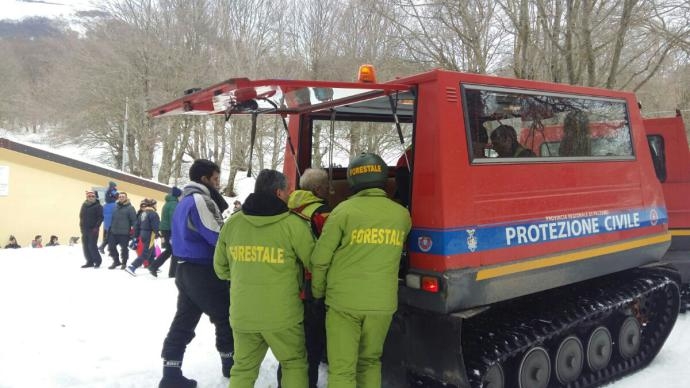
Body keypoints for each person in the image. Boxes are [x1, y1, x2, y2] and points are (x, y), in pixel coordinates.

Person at [311, 153, 412, 388]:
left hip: (343, 304)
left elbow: (320, 259)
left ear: (353, 180)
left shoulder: (343, 211)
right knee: (370, 361)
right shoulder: (401, 214)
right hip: (382, 304)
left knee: (342, 369)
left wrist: (318, 293)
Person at [214, 169, 316, 388]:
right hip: (283, 316)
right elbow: (314, 263)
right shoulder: (293, 225)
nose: (290, 195)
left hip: (243, 314)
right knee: (294, 364)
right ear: (279, 193)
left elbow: (220, 268)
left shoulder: (233, 224)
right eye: (288, 191)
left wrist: (247, 273)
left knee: (242, 368)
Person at [158, 159, 233, 388]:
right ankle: (230, 365)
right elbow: (217, 236)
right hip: (203, 269)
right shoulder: (200, 200)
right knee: (225, 316)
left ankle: (170, 373)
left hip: (185, 269)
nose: (218, 185)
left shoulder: (183, 200)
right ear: (205, 180)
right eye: (216, 180)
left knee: (184, 320)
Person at [277, 168, 331, 388]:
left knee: (291, 346)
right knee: (312, 344)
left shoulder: (286, 208)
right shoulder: (322, 212)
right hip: (311, 286)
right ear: (318, 189)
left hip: (287, 283)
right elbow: (330, 248)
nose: (329, 189)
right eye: (327, 185)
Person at [148, 186, 182, 278]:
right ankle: (172, 274)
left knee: (169, 251)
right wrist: (175, 233)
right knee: (175, 251)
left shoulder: (168, 203)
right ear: (178, 196)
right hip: (170, 230)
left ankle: (154, 266)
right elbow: (173, 219)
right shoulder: (174, 204)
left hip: (166, 230)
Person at [125, 198, 160, 276]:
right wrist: (158, 234)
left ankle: (153, 266)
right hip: (150, 235)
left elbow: (136, 226)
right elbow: (156, 226)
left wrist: (135, 236)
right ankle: (132, 266)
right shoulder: (153, 214)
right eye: (155, 204)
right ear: (152, 205)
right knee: (146, 253)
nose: (156, 205)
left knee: (151, 251)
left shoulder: (143, 213)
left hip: (142, 234)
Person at [107, 192, 137, 270]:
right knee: (111, 247)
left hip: (124, 233)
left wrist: (134, 231)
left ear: (126, 198)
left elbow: (134, 221)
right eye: (120, 196)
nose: (121, 198)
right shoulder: (115, 207)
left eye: (123, 196)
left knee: (124, 249)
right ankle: (116, 261)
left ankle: (124, 263)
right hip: (113, 232)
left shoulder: (130, 208)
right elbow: (112, 219)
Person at [79, 190, 103, 268]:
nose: (91, 197)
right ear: (87, 197)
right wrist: (81, 226)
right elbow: (81, 216)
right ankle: (90, 261)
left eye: (93, 196)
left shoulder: (98, 206)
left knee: (92, 245)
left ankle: (97, 261)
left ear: (95, 197)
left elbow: (100, 217)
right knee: (85, 246)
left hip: (93, 229)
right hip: (84, 229)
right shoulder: (84, 205)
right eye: (89, 196)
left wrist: (96, 227)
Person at [99, 181, 118, 254]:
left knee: (109, 235)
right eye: (115, 186)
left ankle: (104, 247)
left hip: (107, 223)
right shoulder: (112, 191)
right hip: (112, 222)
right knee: (112, 236)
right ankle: (106, 248)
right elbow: (117, 195)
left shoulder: (105, 206)